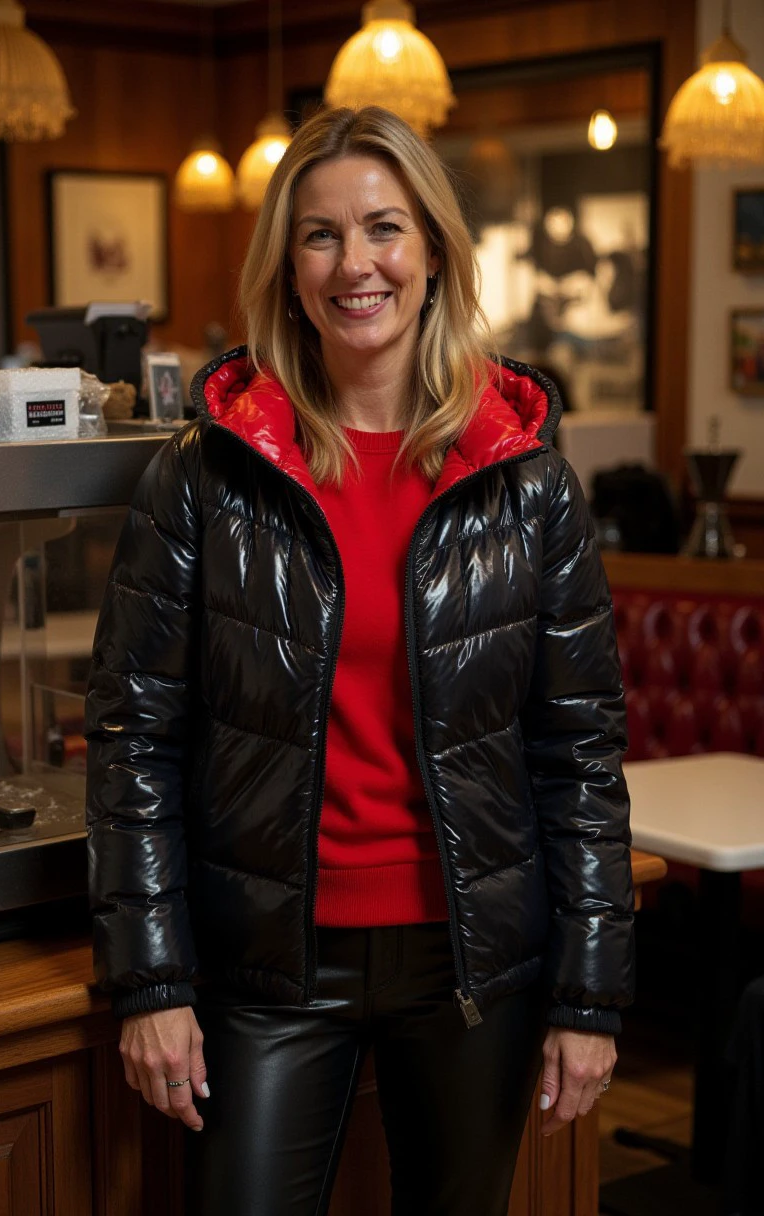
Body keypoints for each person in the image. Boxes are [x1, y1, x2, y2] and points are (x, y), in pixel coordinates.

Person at [85, 105, 634, 1216]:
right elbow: (133, 738)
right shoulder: (204, 474)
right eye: (320, 236)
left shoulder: (529, 485)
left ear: (432, 250)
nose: (356, 264)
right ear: (288, 271)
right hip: (265, 969)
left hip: (474, 969)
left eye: (384, 228)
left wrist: (590, 996)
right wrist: (151, 980)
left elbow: (580, 757)